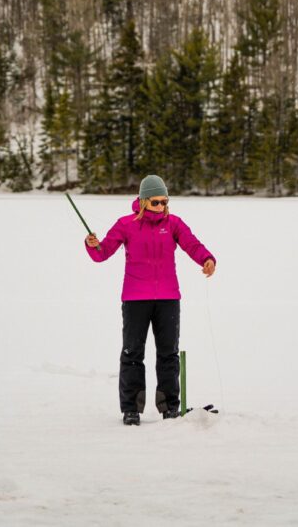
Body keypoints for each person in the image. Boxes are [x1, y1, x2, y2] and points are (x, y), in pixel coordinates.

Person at [84, 174, 216, 425]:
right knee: (132, 353)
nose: (161, 207)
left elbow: (193, 245)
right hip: (135, 299)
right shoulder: (126, 224)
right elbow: (102, 253)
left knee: (168, 355)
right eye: (155, 202)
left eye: (165, 202)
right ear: (143, 201)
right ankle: (131, 409)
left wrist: (207, 259)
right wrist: (93, 245)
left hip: (168, 299)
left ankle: (169, 408)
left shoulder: (174, 223)